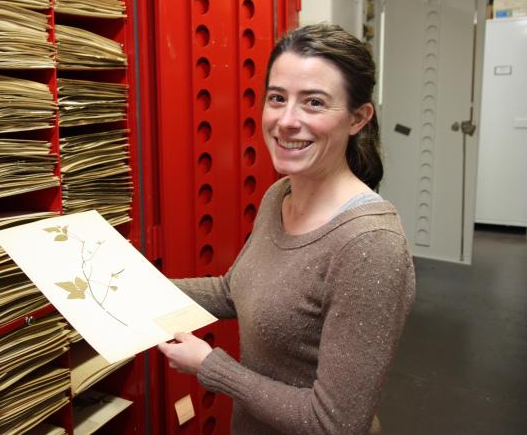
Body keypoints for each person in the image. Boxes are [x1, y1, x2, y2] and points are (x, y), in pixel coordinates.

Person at [158, 24, 416, 435]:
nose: (286, 121)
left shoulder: (370, 246)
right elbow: (235, 290)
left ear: (358, 118)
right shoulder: (279, 197)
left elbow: (335, 424)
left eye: (314, 102)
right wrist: (133, 286)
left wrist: (211, 367)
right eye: (277, 98)